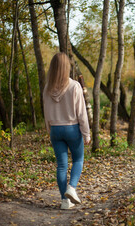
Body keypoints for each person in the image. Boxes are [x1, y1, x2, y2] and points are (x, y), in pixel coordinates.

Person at [43, 52, 91, 210]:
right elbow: (81, 113)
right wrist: (86, 133)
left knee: (61, 166)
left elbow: (46, 111)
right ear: (66, 67)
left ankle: (65, 201)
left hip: (55, 130)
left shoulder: (47, 88)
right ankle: (71, 188)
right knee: (78, 160)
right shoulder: (74, 86)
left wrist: (49, 129)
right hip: (72, 129)